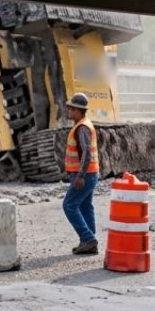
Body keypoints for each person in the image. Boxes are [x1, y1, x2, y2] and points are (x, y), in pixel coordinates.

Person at [61, 92, 100, 255]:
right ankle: (89, 241)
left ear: (78, 110)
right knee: (85, 206)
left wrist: (80, 175)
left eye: (71, 109)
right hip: (90, 174)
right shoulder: (84, 124)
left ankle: (87, 238)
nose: (69, 111)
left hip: (84, 175)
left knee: (69, 205)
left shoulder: (82, 128)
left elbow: (86, 153)